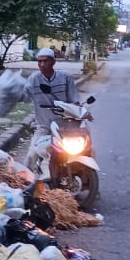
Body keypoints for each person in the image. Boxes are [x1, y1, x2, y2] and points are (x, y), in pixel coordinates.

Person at [22, 47, 80, 176]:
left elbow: (75, 101)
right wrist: (11, 92)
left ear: (53, 62)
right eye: (39, 61)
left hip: (65, 126)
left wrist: (77, 114)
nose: (42, 64)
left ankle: (88, 179)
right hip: (44, 126)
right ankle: (27, 187)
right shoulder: (34, 79)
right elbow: (25, 96)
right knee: (31, 156)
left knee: (85, 148)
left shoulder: (65, 78)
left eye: (45, 61)